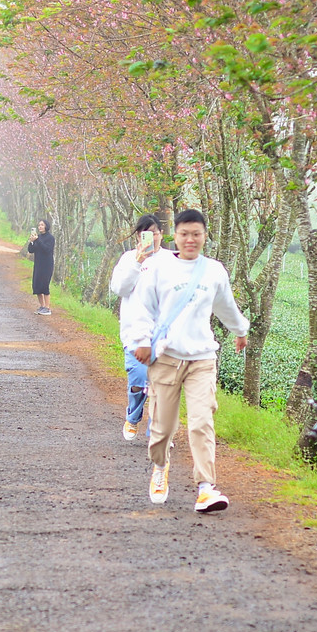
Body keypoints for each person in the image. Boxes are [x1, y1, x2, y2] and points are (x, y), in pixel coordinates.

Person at [126, 209, 248, 513]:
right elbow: (143, 307)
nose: (190, 239)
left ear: (205, 236)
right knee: (163, 428)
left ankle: (206, 487)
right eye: (184, 234)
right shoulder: (158, 268)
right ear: (175, 237)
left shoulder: (214, 271)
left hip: (202, 359)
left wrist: (241, 330)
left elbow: (226, 306)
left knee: (201, 422)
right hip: (166, 358)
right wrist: (141, 341)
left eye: (196, 234)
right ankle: (159, 467)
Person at [109, 215, 174, 441]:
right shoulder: (128, 259)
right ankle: (133, 416)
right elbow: (120, 288)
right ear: (138, 236)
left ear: (161, 235)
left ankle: (158, 432)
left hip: (164, 335)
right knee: (138, 378)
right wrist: (138, 261)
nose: (151, 238)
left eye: (154, 233)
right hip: (135, 332)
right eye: (145, 234)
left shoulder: (172, 260)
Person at [27, 219, 55, 315]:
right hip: (38, 265)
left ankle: (47, 308)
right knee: (37, 285)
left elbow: (47, 249)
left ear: (46, 226)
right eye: (39, 225)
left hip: (47, 265)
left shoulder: (50, 238)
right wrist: (31, 242)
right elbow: (31, 250)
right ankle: (42, 306)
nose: (40, 227)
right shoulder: (37, 237)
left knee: (45, 285)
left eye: (42, 225)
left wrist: (38, 240)